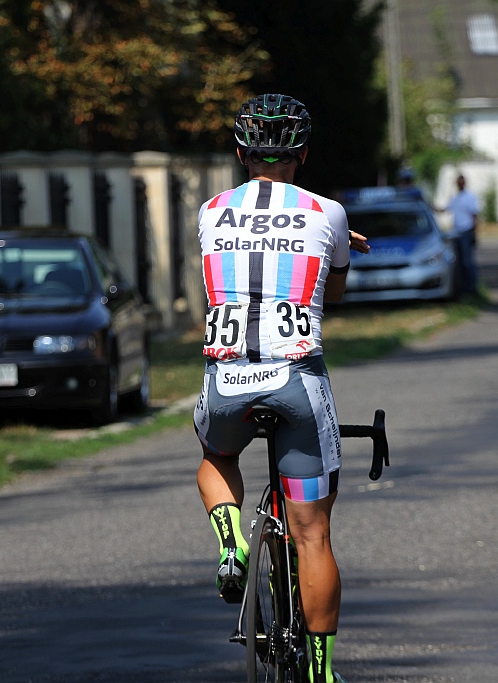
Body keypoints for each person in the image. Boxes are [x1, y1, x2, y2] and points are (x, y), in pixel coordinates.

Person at [194, 93, 368, 683]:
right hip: (296, 380)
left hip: (228, 381)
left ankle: (229, 545)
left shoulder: (210, 210)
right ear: (304, 154)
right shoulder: (329, 212)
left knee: (217, 455)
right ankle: (320, 673)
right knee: (313, 532)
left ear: (241, 153)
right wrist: (344, 252)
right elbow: (334, 293)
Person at [443, 174, 480, 295]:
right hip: (456, 233)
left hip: (466, 232)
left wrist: (474, 233)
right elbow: (445, 209)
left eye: (461, 182)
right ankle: (463, 287)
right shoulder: (455, 198)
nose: (460, 184)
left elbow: (474, 215)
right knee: (458, 261)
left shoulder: (469, 197)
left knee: (467, 261)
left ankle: (472, 287)